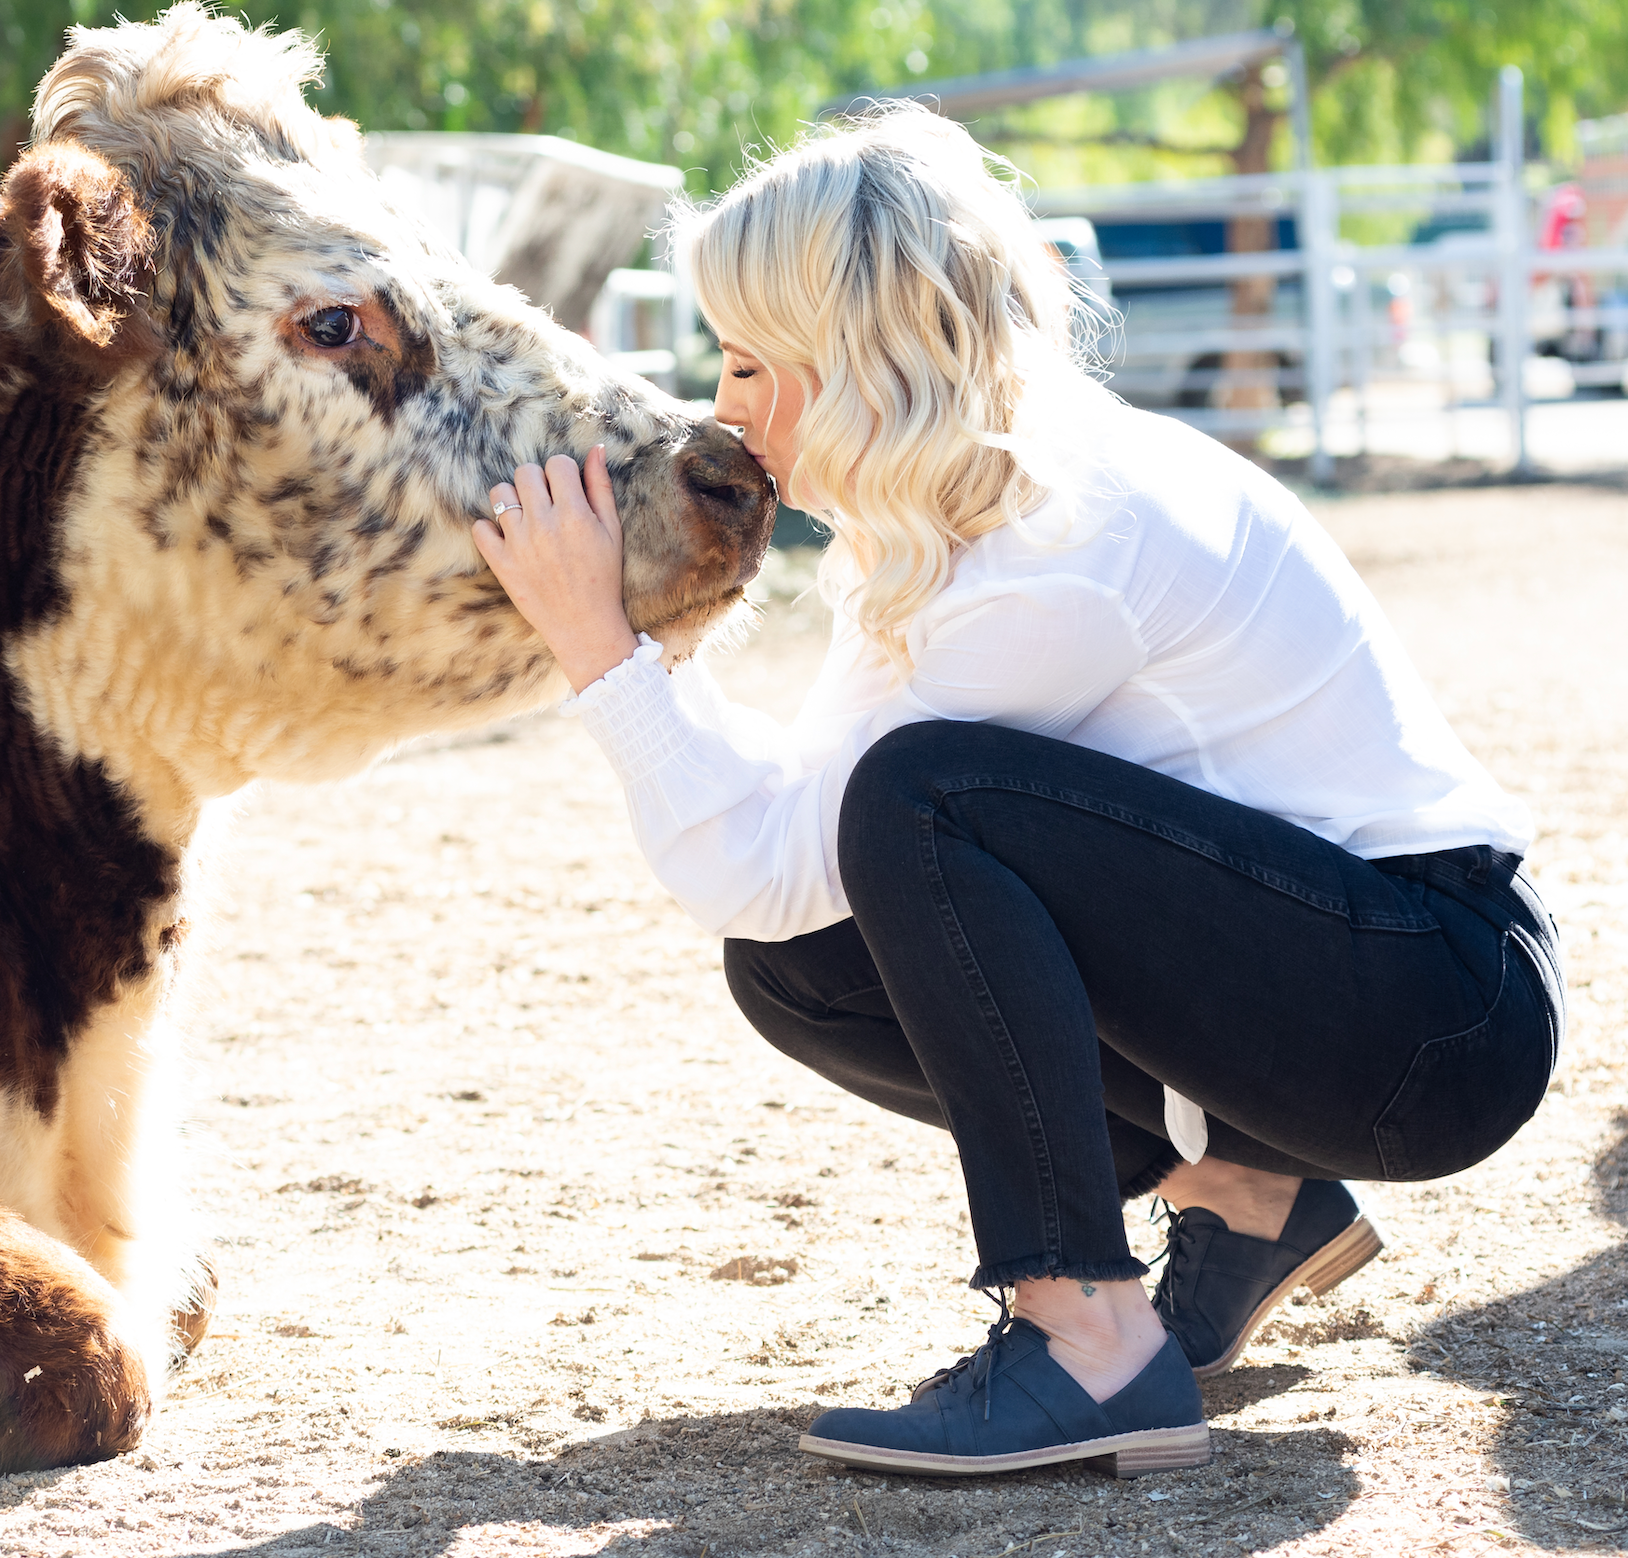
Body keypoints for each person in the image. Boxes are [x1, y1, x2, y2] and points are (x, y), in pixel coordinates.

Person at [471, 108, 1563, 1479]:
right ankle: (1248, 1191)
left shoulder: (1049, 545)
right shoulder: (956, 515)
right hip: (1348, 976)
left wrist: (601, 647)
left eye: (750, 362)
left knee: (920, 805)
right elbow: (783, 871)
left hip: (1437, 1009)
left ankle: (1086, 1339)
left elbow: (795, 839)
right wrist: (635, 645)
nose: (727, 408)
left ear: (855, 359)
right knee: (800, 962)